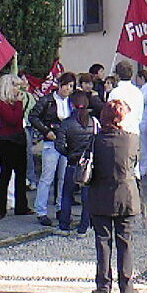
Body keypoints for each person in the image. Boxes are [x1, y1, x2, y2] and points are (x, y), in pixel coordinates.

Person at [88, 100, 140, 293]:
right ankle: (126, 286)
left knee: (102, 241)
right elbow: (134, 163)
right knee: (125, 241)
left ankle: (103, 286)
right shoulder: (132, 140)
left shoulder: (95, 141)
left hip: (100, 194)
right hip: (126, 195)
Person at [29, 71, 76, 226]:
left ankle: (61, 207)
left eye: (71, 87)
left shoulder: (71, 102)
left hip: (66, 141)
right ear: (60, 85)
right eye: (66, 86)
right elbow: (33, 116)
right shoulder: (48, 100)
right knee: (47, 176)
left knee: (63, 177)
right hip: (52, 141)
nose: (68, 89)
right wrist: (45, 131)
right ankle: (41, 210)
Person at [0, 74, 34, 219]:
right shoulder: (1, 104)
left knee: (21, 175)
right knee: (5, 175)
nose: (18, 89)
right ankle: (0, 207)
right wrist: (19, 104)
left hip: (18, 139)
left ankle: (21, 205)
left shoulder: (14, 102)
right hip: (7, 141)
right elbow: (13, 120)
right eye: (15, 86)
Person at [55, 90, 97, 238]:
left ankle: (64, 225)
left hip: (72, 163)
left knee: (66, 195)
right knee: (87, 198)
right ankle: (84, 228)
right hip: (87, 164)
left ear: (71, 104)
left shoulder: (66, 123)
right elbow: (96, 142)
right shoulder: (93, 122)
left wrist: (70, 154)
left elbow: (59, 145)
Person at [107, 61, 144, 138]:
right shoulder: (138, 92)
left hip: (119, 133)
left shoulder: (115, 92)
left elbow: (109, 115)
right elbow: (140, 116)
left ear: (117, 75)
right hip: (134, 133)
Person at [135, 69, 147, 177]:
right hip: (143, 119)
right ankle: (145, 166)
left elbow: (140, 102)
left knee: (143, 144)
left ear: (142, 78)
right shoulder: (143, 89)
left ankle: (144, 166)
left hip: (144, 119)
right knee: (142, 143)